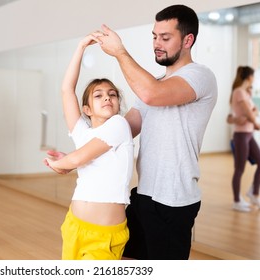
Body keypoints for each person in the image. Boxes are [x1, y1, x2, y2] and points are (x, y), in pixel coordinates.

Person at [93, 4, 218, 259]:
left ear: (188, 40)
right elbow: (123, 130)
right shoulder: (156, 82)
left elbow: (151, 94)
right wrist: (77, 152)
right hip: (144, 195)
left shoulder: (200, 76)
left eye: (165, 37)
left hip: (173, 202)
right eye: (154, 36)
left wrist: (119, 53)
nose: (156, 43)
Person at [44, 34, 134, 260]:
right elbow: (67, 90)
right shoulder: (83, 133)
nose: (107, 98)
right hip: (74, 225)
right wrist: (81, 47)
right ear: (87, 109)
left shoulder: (118, 125)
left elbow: (77, 160)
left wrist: (61, 163)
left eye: (112, 95)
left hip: (104, 234)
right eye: (99, 95)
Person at [228, 66, 260, 212]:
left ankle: (253, 193)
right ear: (249, 77)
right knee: (239, 168)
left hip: (248, 134)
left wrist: (250, 116)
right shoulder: (238, 92)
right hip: (241, 135)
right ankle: (236, 201)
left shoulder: (245, 93)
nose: (254, 78)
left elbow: (253, 111)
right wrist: (255, 122)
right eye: (253, 76)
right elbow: (250, 114)